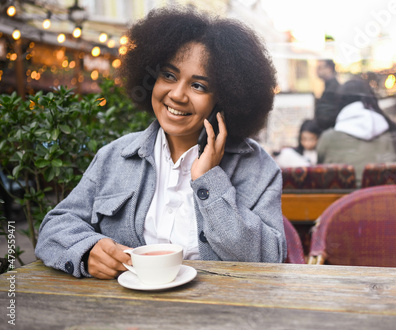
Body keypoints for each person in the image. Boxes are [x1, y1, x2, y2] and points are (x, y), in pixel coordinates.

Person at [35, 7, 287, 279]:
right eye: (169, 75)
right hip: (123, 312)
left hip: (217, 312)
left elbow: (269, 259)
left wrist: (210, 182)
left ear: (225, 98)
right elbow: (53, 228)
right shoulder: (115, 156)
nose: (177, 94)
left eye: (199, 86)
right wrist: (86, 250)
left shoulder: (258, 169)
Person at [316, 79, 396, 186]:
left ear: (339, 103)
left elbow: (319, 177)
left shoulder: (328, 138)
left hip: (344, 201)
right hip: (388, 200)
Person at [314, 59, 340, 132]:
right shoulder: (330, 86)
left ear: (329, 69)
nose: (317, 71)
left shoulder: (332, 89)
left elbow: (327, 115)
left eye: (319, 67)